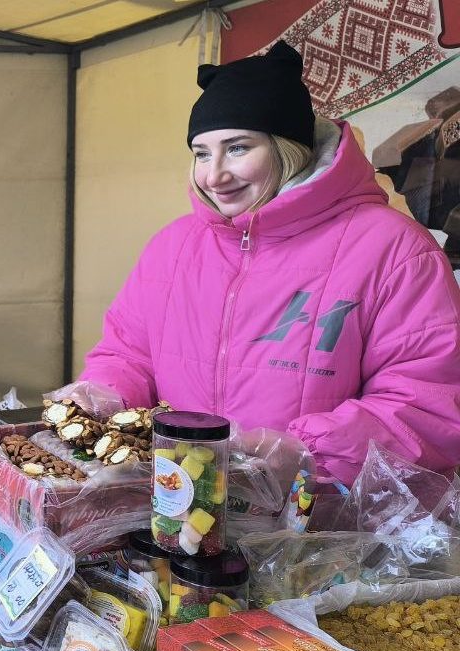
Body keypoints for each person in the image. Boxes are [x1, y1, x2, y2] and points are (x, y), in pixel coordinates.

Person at [80, 41, 460, 488]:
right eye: (202, 153)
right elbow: (127, 352)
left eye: (238, 148)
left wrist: (306, 453)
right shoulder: (173, 246)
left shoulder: (394, 250)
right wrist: (103, 393)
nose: (214, 175)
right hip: (180, 499)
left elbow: (428, 403)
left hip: (321, 515)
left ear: (287, 148)